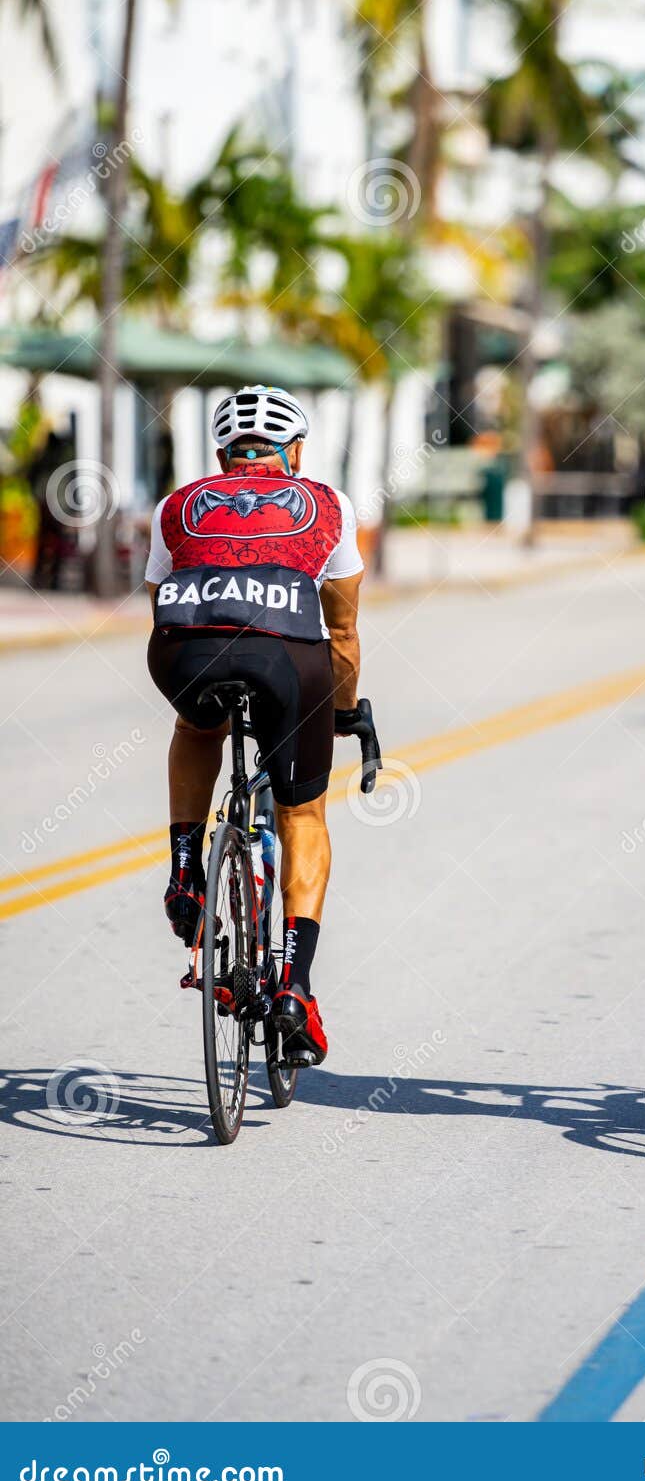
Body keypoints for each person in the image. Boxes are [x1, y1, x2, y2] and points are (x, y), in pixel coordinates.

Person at [144, 384, 380, 1067]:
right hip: (287, 662)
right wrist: (344, 711)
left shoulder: (177, 505)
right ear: (294, 451)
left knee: (196, 728)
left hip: (183, 653)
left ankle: (185, 867)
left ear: (223, 456)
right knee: (302, 813)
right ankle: (295, 989)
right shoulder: (327, 505)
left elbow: (165, 605)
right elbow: (342, 631)